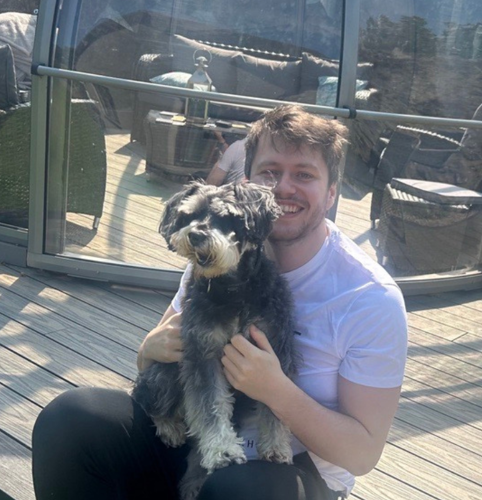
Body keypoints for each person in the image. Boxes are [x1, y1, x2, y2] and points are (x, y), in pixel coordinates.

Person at [31, 105, 408, 500]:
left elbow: (363, 455)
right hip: (194, 437)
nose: (283, 188)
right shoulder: (217, 250)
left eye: (304, 174)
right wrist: (147, 351)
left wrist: (276, 391)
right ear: (246, 182)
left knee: (240, 489)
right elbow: (171, 353)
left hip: (285, 472)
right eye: (269, 171)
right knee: (70, 418)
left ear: (332, 192)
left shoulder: (370, 298)